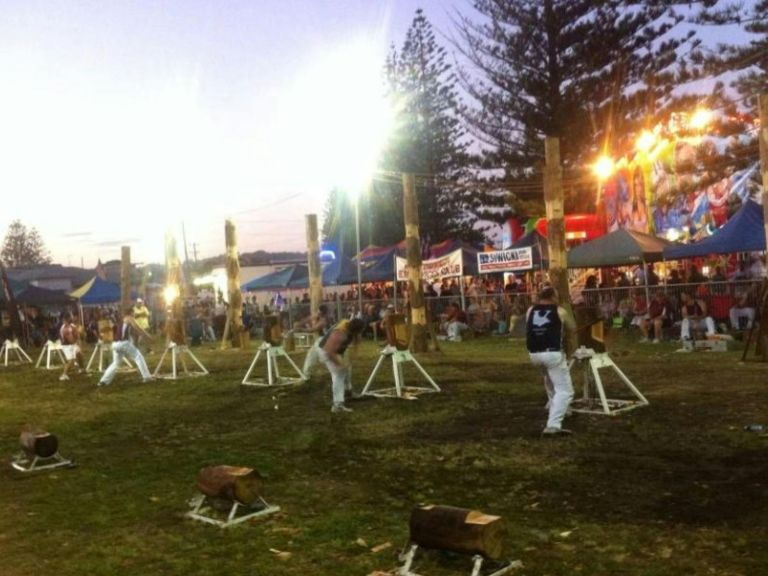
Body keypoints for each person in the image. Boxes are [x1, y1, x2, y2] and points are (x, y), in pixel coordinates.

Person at [526, 286, 577, 436]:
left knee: (549, 380)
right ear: (553, 297)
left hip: (534, 354)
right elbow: (572, 328)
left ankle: (561, 409)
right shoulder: (560, 311)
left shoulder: (530, 310)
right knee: (566, 390)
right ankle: (553, 425)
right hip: (552, 353)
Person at [317, 318, 366, 413]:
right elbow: (329, 351)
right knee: (339, 374)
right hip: (326, 351)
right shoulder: (339, 333)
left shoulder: (348, 324)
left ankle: (348, 392)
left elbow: (356, 340)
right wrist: (339, 365)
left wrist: (352, 356)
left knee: (347, 369)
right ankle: (337, 405)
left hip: (336, 350)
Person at [98, 305, 155, 386]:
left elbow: (128, 331)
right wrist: (148, 337)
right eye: (133, 312)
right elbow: (138, 328)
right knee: (138, 356)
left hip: (115, 344)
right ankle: (147, 377)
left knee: (116, 363)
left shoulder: (121, 320)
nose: (134, 314)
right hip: (123, 343)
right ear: (131, 312)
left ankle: (103, 381)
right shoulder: (129, 318)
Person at [300, 304, 333, 378]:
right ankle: (306, 375)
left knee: (325, 359)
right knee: (311, 355)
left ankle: (335, 371)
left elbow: (312, 330)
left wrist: (301, 328)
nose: (317, 313)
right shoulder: (324, 318)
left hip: (323, 341)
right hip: (321, 341)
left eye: (319, 311)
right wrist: (304, 323)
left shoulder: (323, 321)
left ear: (321, 312)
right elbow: (311, 320)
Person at [59, 312, 85, 381]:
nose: (72, 318)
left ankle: (82, 369)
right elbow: (71, 340)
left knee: (79, 354)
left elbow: (78, 336)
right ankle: (64, 375)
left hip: (72, 345)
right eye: (70, 317)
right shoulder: (65, 329)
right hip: (67, 346)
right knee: (71, 361)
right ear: (67, 319)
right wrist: (78, 333)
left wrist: (79, 333)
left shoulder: (72, 325)